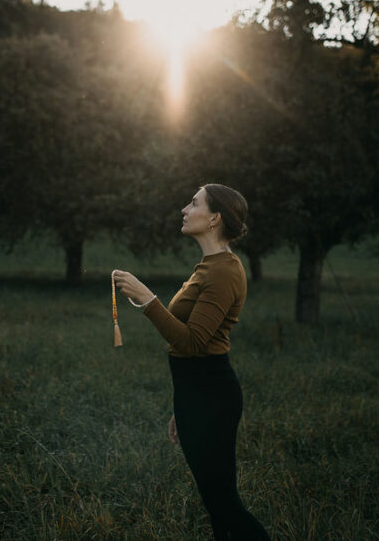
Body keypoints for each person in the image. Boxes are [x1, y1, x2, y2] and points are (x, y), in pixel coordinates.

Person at [112, 183, 270, 540]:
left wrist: (146, 298)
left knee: (225, 504)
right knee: (216, 507)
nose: (184, 209)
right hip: (197, 395)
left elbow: (194, 342)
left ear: (214, 218)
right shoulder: (209, 265)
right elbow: (191, 340)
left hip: (212, 397)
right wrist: (181, 408)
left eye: (194, 203)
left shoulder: (224, 271)